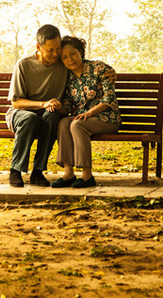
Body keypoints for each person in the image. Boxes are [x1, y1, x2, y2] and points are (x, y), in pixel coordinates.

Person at [51, 35, 120, 189]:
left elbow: (110, 99)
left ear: (80, 52)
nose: (70, 59)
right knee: (63, 123)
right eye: (65, 57)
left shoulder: (99, 68)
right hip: (83, 118)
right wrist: (59, 107)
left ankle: (87, 175)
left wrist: (90, 113)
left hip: (107, 118)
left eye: (73, 54)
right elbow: (68, 105)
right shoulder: (67, 78)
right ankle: (68, 173)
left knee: (77, 125)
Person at [4, 24, 68, 188]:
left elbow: (84, 65)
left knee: (52, 115)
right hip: (21, 113)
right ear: (38, 47)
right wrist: (43, 103)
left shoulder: (63, 64)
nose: (55, 54)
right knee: (30, 118)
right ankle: (16, 170)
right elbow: (16, 102)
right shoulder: (24, 65)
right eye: (50, 50)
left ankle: (38, 172)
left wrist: (108, 72)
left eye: (58, 48)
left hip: (47, 113)